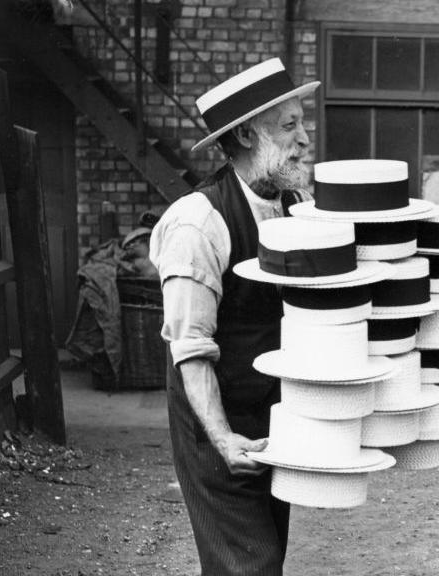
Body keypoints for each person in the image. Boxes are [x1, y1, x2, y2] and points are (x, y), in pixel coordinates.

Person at [149, 58, 320, 576]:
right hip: (214, 418)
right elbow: (190, 349)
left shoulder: (297, 205)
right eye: (289, 126)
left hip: (271, 415)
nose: (305, 139)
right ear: (247, 135)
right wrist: (222, 438)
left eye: (302, 123)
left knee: (266, 553)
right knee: (251, 565)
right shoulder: (197, 225)